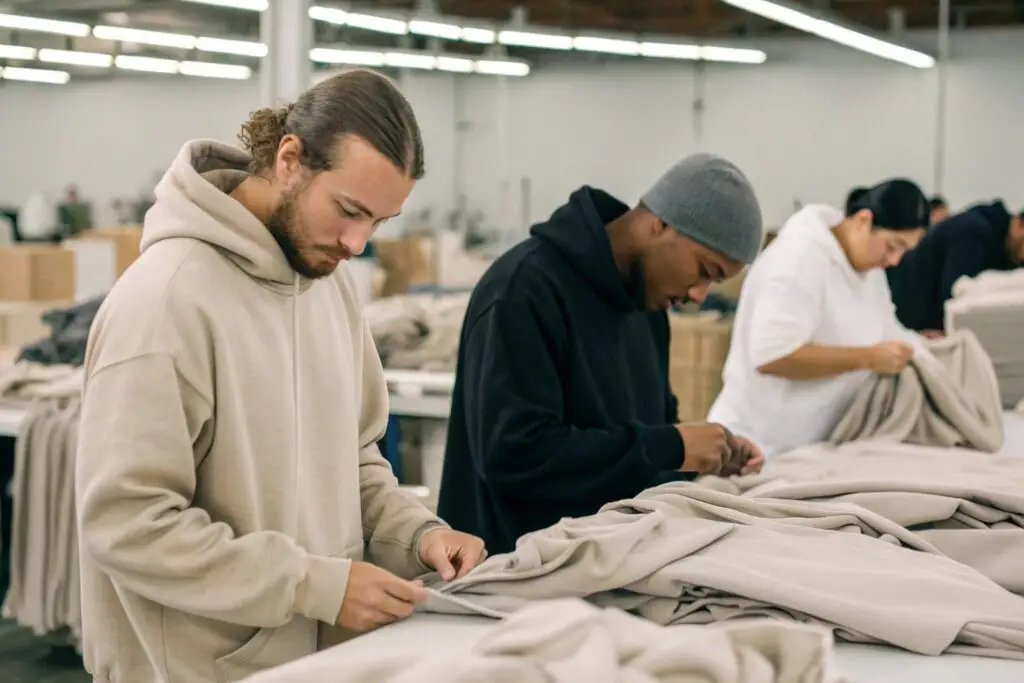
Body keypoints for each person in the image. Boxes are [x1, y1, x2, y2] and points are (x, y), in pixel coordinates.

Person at [74, 69, 485, 683]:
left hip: (317, 659)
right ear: (289, 158)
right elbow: (127, 523)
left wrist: (419, 535)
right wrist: (313, 584)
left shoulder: (328, 288)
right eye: (348, 210)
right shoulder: (165, 302)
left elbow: (354, 462)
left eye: (379, 222)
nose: (357, 242)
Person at [437, 153, 767, 555]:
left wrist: (703, 457)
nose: (698, 296)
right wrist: (673, 447)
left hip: (606, 563)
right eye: (704, 270)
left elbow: (640, 440)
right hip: (511, 572)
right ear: (659, 223)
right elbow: (513, 455)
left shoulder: (647, 309)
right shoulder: (524, 289)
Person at [707, 179, 929, 460]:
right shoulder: (799, 259)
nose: (895, 260)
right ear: (863, 220)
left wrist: (930, 354)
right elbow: (771, 355)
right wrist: (868, 358)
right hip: (755, 449)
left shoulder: (871, 272)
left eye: (904, 251)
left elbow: (888, 329)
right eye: (892, 246)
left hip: (814, 450)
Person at [887, 201, 1024, 336]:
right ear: (1020, 225)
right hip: (900, 318)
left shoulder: (1003, 248)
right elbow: (955, 294)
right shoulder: (973, 232)